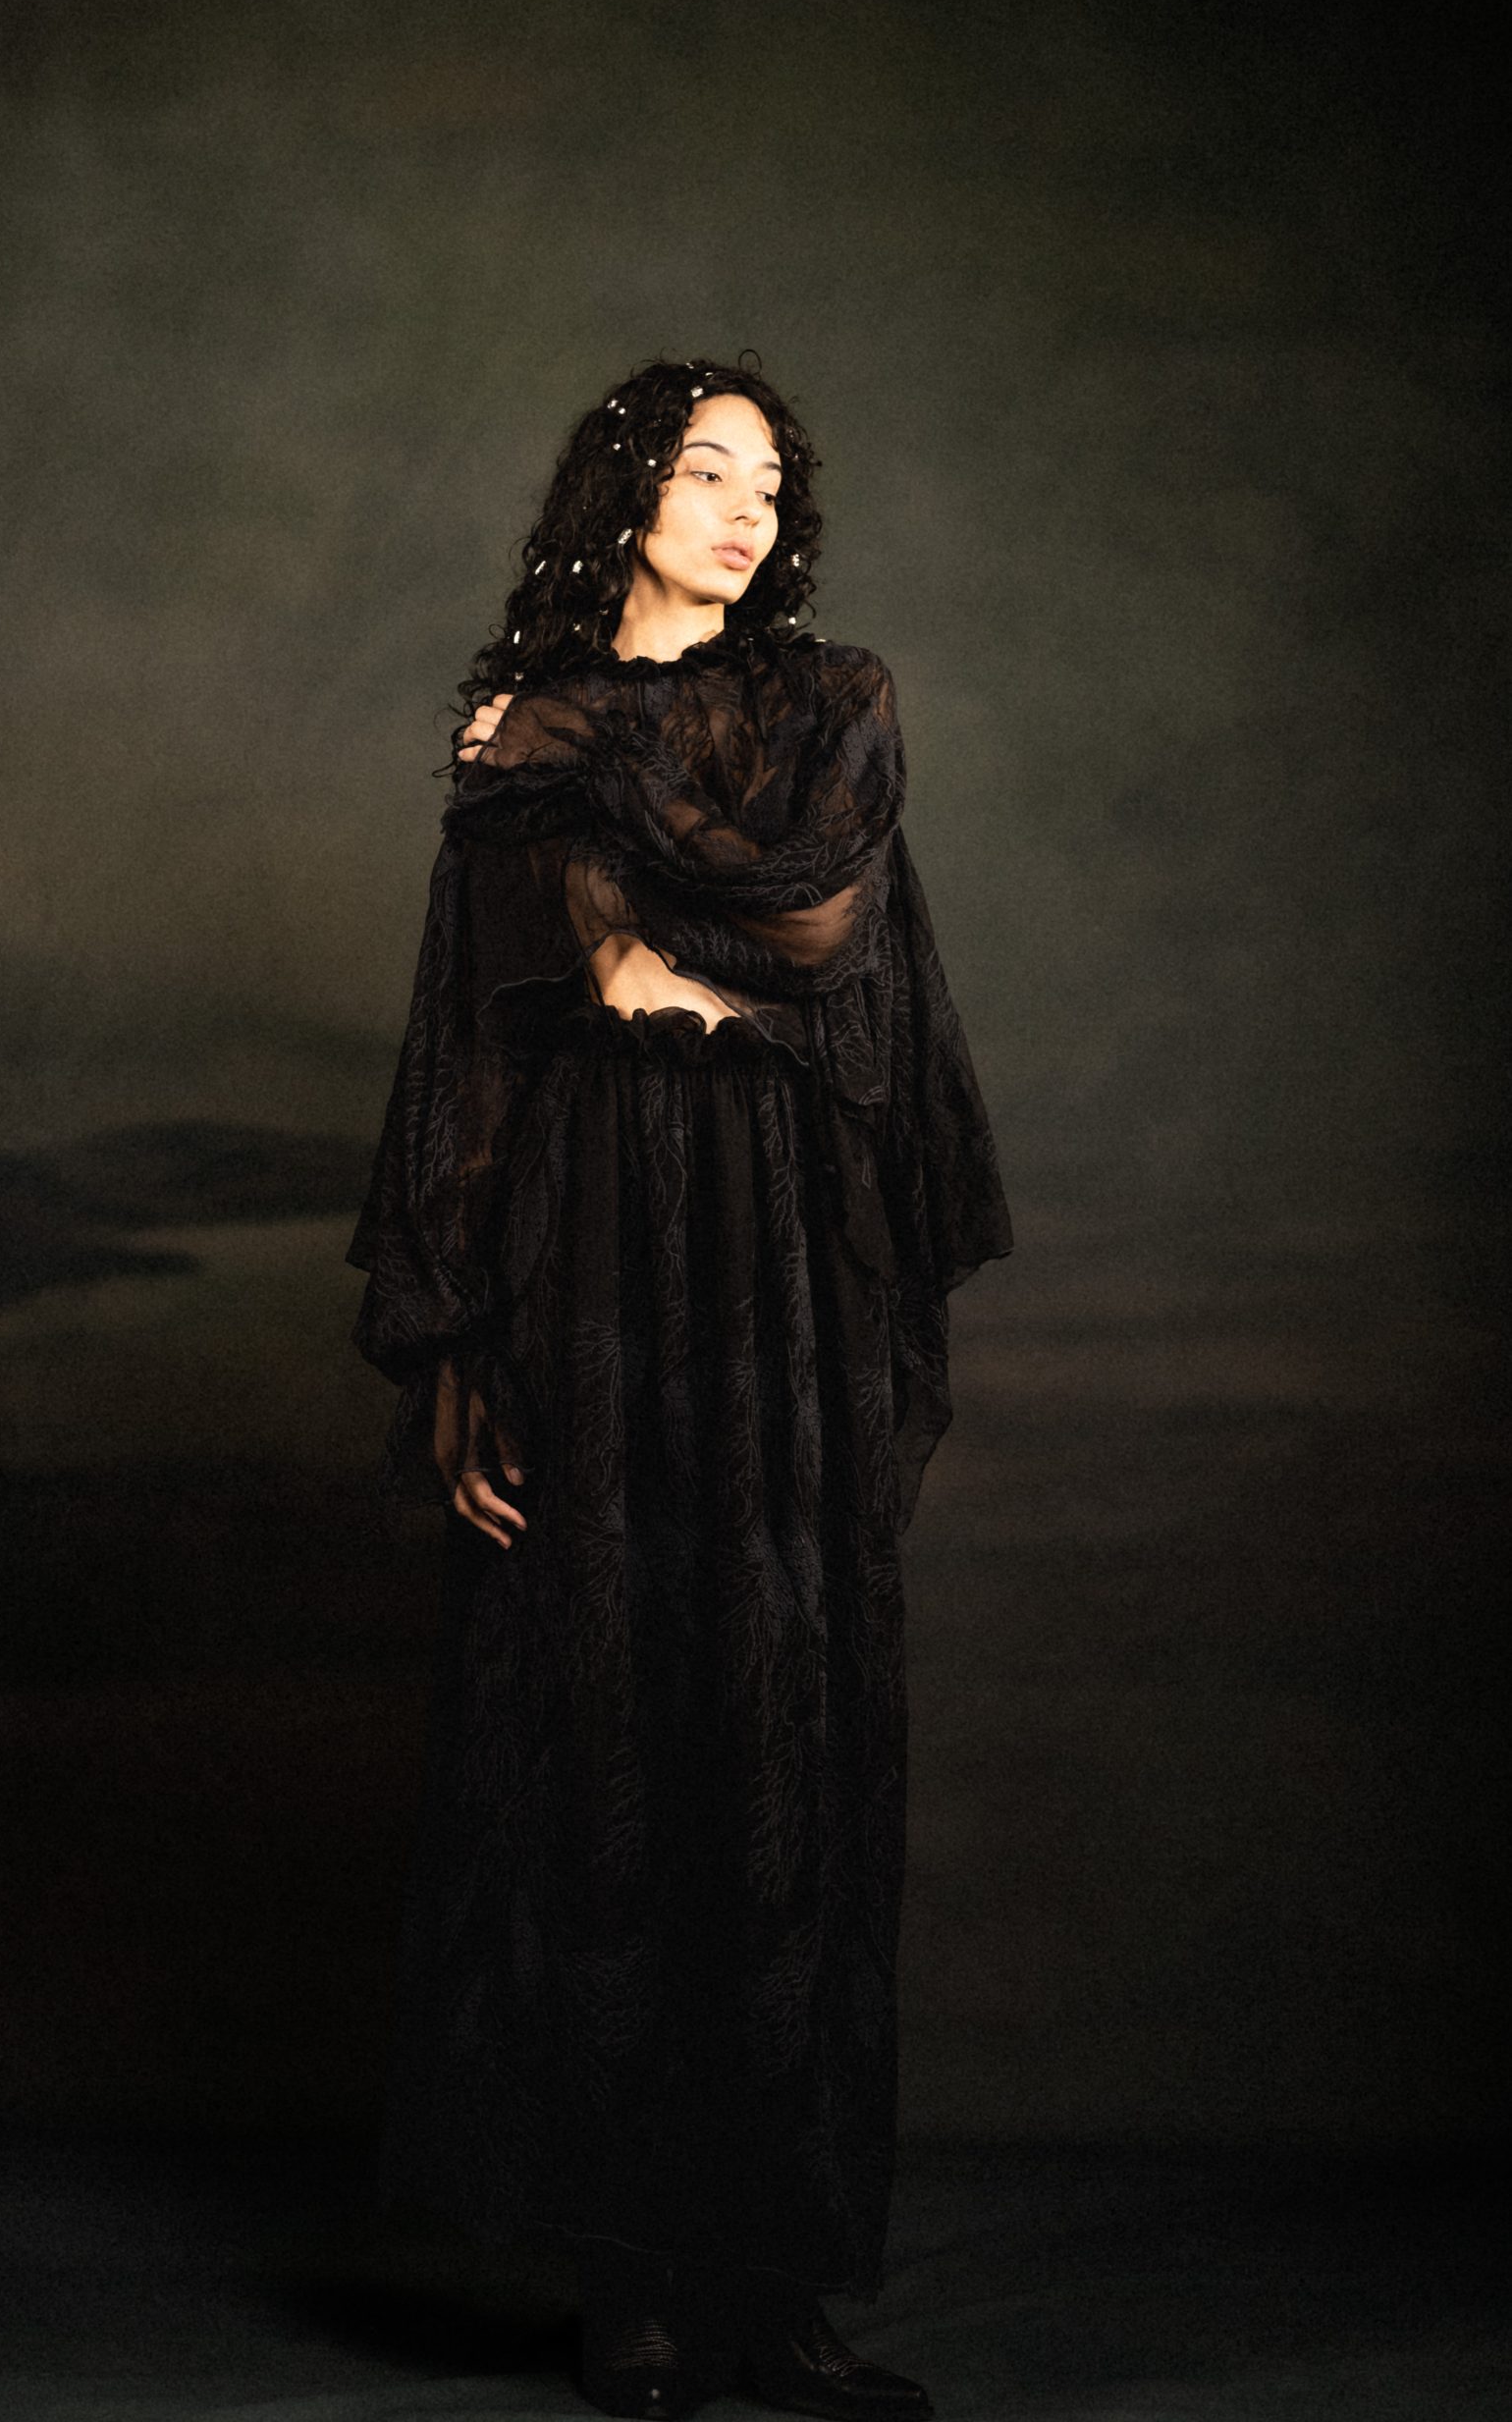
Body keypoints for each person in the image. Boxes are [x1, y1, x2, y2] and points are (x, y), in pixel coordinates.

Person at [347, 351, 1013, 2419]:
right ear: (622, 487)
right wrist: (458, 1346)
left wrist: (633, 904)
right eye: (706, 468)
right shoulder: (511, 747)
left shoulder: (824, 703)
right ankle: (630, 2283)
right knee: (606, 1725)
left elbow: (817, 931)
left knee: (785, 1726)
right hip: (589, 1251)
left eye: (770, 482)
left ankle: (771, 2284)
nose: (745, 509)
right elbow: (475, 1041)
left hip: (784, 1247)